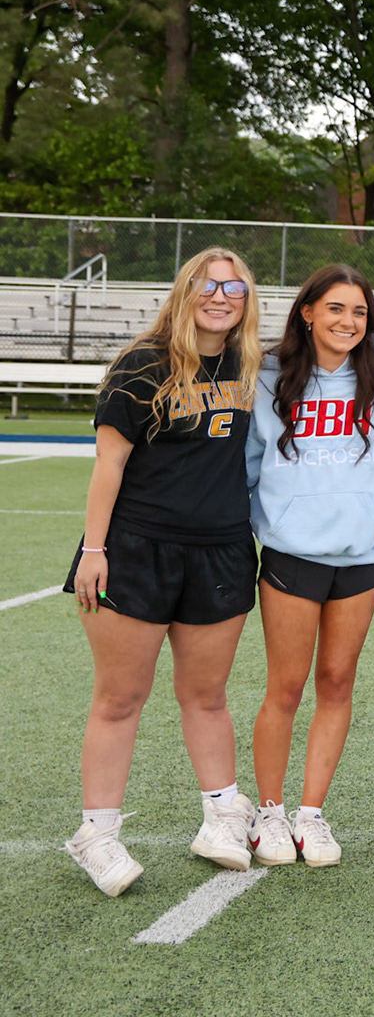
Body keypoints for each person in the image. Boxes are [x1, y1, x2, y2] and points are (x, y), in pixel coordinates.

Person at [63, 248, 263, 895]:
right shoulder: (142, 364)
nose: (220, 296)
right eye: (208, 283)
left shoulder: (253, 365)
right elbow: (109, 465)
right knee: (120, 698)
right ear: (185, 290)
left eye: (234, 287)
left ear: (247, 300)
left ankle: (222, 817)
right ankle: (96, 834)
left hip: (222, 550)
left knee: (207, 695)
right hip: (136, 549)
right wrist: (95, 550)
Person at [245, 264, 374, 868]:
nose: (348, 321)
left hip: (362, 555)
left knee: (337, 683)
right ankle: (270, 813)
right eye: (336, 308)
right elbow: (248, 463)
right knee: (285, 687)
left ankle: (311, 813)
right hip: (292, 552)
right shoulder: (266, 376)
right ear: (307, 312)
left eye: (359, 312)